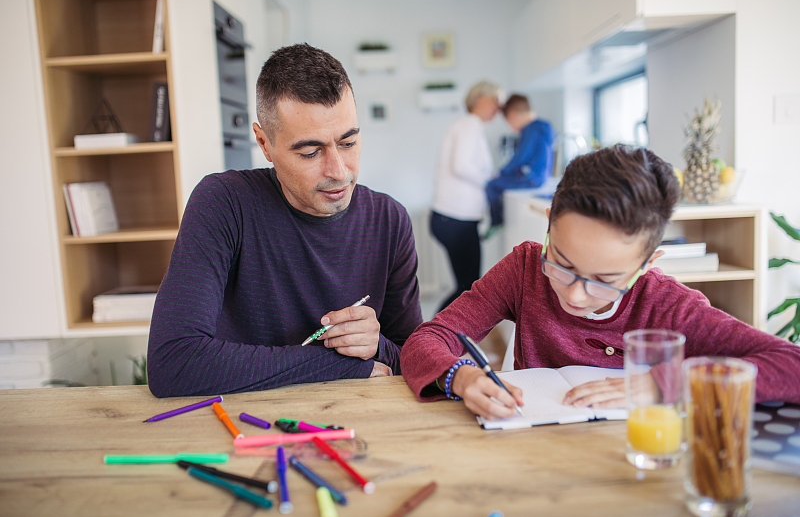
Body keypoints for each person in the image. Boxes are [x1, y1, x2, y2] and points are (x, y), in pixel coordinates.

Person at [401, 145, 800, 420]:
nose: (576, 294)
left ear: (646, 264)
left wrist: (664, 383)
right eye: (561, 264)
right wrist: (461, 375)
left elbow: (792, 365)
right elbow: (428, 338)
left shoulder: (667, 303)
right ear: (549, 227)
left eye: (606, 280)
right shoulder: (523, 268)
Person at [148, 44, 422, 398]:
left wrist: (376, 345)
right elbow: (173, 362)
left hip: (354, 418)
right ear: (264, 143)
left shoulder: (389, 220)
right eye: (310, 152)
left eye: (348, 142)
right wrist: (339, 366)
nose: (339, 172)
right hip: (243, 420)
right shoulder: (224, 203)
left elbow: (416, 360)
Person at [430, 80, 502, 312]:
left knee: (466, 286)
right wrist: (491, 181)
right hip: (455, 219)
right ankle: (432, 330)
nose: (499, 106)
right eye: (495, 100)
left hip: (453, 218)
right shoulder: (470, 124)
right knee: (468, 288)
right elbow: (461, 166)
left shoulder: (469, 125)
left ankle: (436, 330)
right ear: (480, 98)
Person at [485, 94, 556, 230]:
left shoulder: (530, 129)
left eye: (508, 122)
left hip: (530, 178)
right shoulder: (544, 127)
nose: (511, 127)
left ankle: (496, 223)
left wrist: (501, 172)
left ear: (513, 115)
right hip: (540, 177)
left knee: (492, 185)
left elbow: (521, 157)